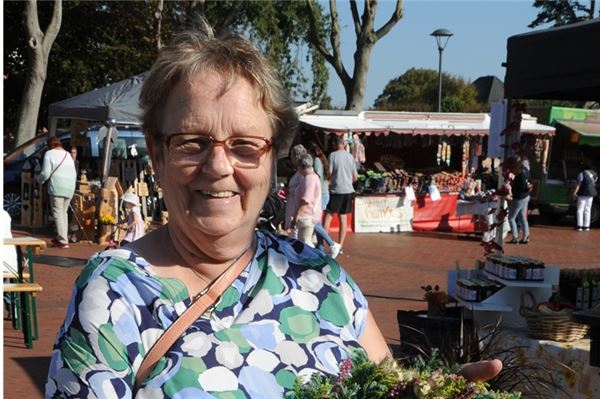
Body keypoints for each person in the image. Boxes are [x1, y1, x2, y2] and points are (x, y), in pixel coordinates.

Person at [46, 22, 501, 398]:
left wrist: (426, 393)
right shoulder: (116, 294)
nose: (218, 166)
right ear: (157, 153)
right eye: (193, 143)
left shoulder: (323, 278)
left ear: (271, 158)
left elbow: (386, 387)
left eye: (244, 145)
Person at [36, 136, 76, 248]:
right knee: (64, 213)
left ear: (49, 144)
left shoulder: (49, 153)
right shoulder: (68, 154)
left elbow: (45, 173)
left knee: (58, 213)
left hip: (57, 185)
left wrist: (39, 179)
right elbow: (74, 172)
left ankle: (63, 241)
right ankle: (62, 237)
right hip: (70, 186)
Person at [323, 135, 357, 249]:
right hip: (348, 190)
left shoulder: (332, 155)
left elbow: (329, 173)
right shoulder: (350, 157)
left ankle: (323, 243)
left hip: (336, 190)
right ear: (343, 143)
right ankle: (340, 246)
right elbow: (355, 177)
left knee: (328, 216)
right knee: (343, 219)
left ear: (335, 144)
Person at [308, 141, 341, 258]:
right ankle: (320, 249)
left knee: (314, 222)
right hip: (324, 193)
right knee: (318, 223)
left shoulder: (316, 161)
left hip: (321, 194)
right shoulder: (322, 159)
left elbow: (317, 177)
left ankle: (332, 244)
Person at [283, 144, 307, 238]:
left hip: (296, 206)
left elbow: (302, 188)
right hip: (293, 205)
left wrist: (290, 190)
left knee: (296, 233)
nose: (291, 158)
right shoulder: (298, 171)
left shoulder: (302, 172)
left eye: (292, 156)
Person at [505, 158, 531, 244]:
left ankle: (515, 237)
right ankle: (526, 236)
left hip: (519, 198)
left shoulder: (520, 175)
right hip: (526, 197)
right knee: (522, 217)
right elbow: (529, 182)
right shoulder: (526, 170)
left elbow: (520, 187)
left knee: (511, 218)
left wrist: (512, 192)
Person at [573, 160, 598, 232]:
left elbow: (578, 184)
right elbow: (595, 181)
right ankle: (586, 227)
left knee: (580, 209)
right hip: (591, 194)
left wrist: (574, 193)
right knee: (588, 210)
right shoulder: (594, 173)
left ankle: (579, 226)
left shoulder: (581, 173)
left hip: (583, 193)